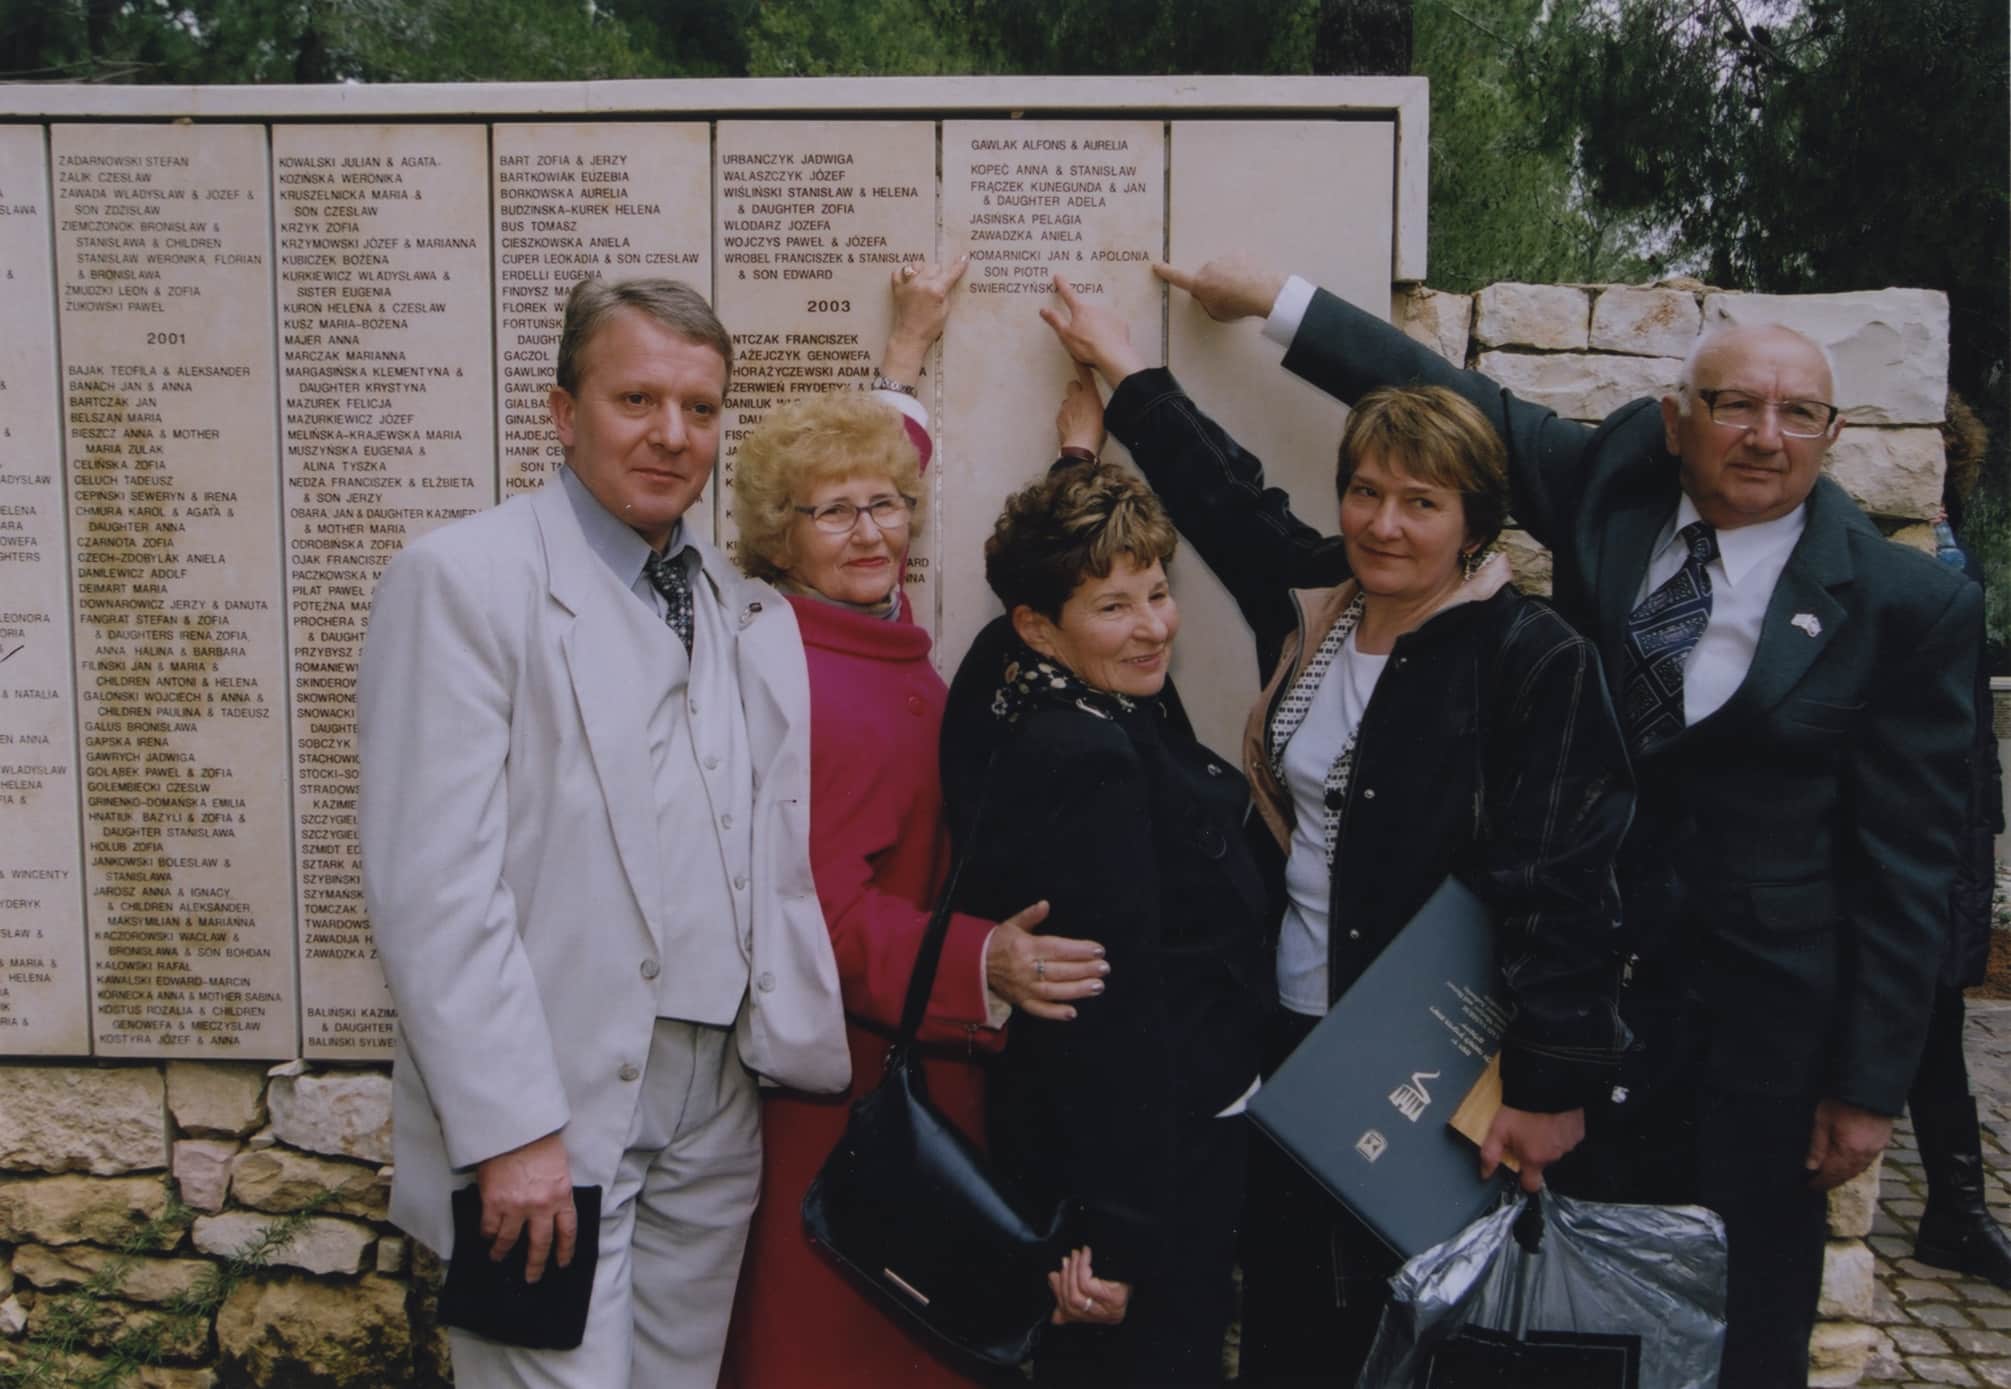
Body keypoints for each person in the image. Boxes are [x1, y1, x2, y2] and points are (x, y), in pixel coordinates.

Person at [1144, 255, 1980, 1388]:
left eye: (1798, 414)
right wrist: (1267, 299)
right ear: (1678, 421)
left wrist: (1869, 1085)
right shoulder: (1611, 497)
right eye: (1734, 404)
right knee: (1540, 1327)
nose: (1763, 436)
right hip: (1558, 1025)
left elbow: (1913, 864)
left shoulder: (1906, 604)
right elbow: (1448, 402)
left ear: (1831, 435)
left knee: (1741, 1329)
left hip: (1756, 1046)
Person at [1039, 276, 1635, 1385]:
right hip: (1287, 1037)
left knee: (1408, 1334)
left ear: (1474, 523)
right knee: (1289, 1321)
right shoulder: (1325, 599)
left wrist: (1550, 1085)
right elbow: (1225, 495)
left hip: (1438, 1060)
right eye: (1364, 491)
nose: (1382, 523)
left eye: (1420, 501)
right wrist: (1122, 372)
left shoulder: (1531, 659)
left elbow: (1567, 881)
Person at [358, 276, 850, 1389]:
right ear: (561, 411)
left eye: (700, 408)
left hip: (714, 1102)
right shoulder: (462, 580)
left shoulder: (730, 598)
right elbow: (432, 890)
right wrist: (508, 1130)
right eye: (636, 399)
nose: (672, 434)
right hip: (551, 1098)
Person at [719, 260, 1107, 1389]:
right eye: (834, 515)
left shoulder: (866, 627)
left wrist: (905, 357)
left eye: (887, 506)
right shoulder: (804, 683)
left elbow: (879, 465)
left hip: (908, 1076)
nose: (870, 532)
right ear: (776, 539)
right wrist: (983, 963)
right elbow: (817, 915)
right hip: (849, 1099)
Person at [937, 408, 1275, 1386]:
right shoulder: (1088, 758)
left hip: (1109, 1154)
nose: (1153, 627)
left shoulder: (1018, 676)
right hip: (1151, 1168)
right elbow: (1110, 1016)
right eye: (1115, 607)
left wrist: (1077, 461)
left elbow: (1058, 569)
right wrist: (1117, 1236)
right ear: (1039, 625)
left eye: (1158, 593)